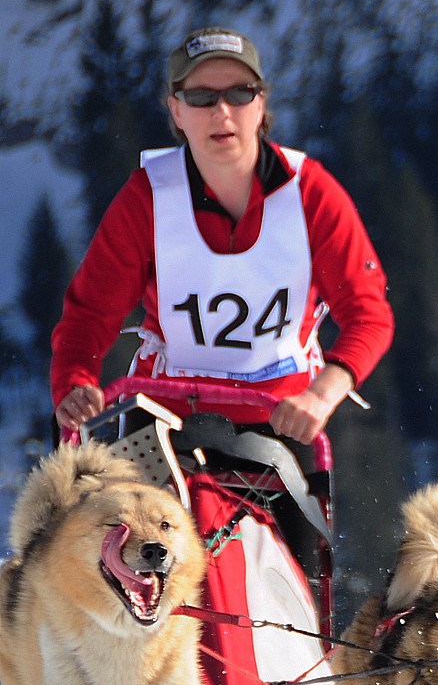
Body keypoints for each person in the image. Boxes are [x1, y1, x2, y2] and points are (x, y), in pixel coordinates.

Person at [51, 26, 393, 445]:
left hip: (283, 424)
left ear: (261, 103)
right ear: (176, 110)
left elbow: (368, 314)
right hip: (164, 423)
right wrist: (74, 384)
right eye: (201, 98)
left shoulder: (310, 193)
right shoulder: (147, 198)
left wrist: (322, 396)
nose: (222, 112)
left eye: (240, 93)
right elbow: (88, 315)